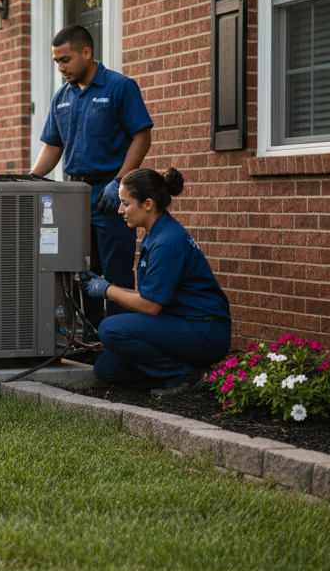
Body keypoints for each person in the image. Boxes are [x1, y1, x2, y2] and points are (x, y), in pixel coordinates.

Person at [30, 25, 153, 328]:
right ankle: (92, 337)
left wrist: (119, 182)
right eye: (57, 62)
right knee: (81, 272)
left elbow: (142, 136)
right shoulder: (61, 96)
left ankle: (120, 339)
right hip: (75, 196)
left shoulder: (120, 87)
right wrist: (29, 179)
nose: (61, 68)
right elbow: (53, 147)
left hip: (112, 195)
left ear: (86, 53)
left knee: (116, 273)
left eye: (66, 60)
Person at [80, 167, 232, 396]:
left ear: (148, 204)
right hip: (180, 325)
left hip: (204, 332)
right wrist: (103, 286)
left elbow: (151, 306)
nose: (120, 210)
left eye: (126, 203)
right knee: (107, 369)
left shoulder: (167, 242)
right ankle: (182, 371)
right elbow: (150, 297)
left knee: (110, 328)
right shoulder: (156, 234)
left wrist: (105, 289)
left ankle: (186, 375)